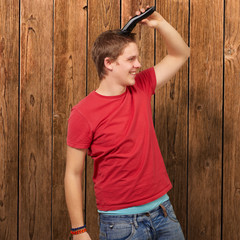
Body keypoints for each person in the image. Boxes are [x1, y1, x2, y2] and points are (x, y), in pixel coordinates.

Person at [64, 6, 190, 240]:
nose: (138, 64)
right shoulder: (82, 113)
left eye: (137, 58)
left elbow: (180, 54)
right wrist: (78, 230)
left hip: (163, 211)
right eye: (131, 59)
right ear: (109, 63)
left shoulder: (141, 86)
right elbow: (72, 173)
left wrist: (160, 23)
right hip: (120, 223)